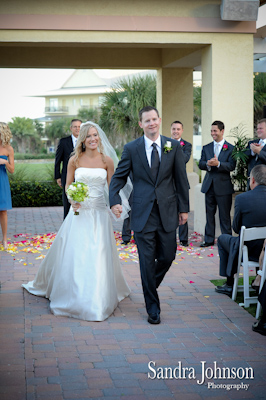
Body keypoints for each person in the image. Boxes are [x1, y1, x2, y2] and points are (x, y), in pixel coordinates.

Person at [22, 122, 130, 322]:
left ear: (99, 137)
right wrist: (73, 199)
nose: (92, 139)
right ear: (82, 139)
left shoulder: (107, 161)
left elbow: (112, 188)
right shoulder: (74, 160)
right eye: (88, 136)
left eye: (95, 135)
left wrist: (115, 205)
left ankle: (98, 297)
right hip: (79, 213)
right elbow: (68, 185)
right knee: (78, 253)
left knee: (98, 252)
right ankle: (74, 294)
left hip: (98, 214)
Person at [109, 106, 189, 324]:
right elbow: (118, 178)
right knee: (146, 261)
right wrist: (114, 200)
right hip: (143, 214)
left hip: (168, 212)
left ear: (159, 120)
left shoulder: (173, 146)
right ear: (141, 124)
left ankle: (148, 285)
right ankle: (152, 308)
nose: (152, 123)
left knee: (168, 255)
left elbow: (181, 179)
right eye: (147, 120)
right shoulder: (132, 148)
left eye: (154, 119)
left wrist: (184, 209)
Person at [215, 165, 266, 296]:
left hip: (248, 251)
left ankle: (230, 283)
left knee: (222, 239)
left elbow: (236, 228)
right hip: (264, 252)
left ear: (253, 180)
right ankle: (258, 279)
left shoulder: (242, 199)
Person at [199, 120, 236, 247]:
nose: (212, 133)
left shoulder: (231, 148)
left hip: (224, 188)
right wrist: (208, 164)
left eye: (215, 131)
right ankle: (208, 240)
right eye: (211, 131)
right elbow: (201, 164)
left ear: (222, 131)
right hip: (209, 186)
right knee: (209, 215)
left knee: (224, 216)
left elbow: (232, 166)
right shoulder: (206, 147)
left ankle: (227, 241)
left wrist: (219, 164)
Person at [54, 119, 82, 219]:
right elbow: (58, 160)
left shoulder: (86, 141)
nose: (77, 129)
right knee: (68, 203)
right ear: (71, 128)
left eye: (79, 126)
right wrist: (58, 177)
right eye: (75, 126)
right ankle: (67, 226)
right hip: (67, 177)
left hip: (82, 176)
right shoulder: (63, 142)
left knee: (81, 204)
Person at [171, 120, 192, 246]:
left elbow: (184, 159)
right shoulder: (166, 144)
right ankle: (170, 238)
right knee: (170, 211)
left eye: (178, 129)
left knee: (183, 209)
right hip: (168, 183)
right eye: (174, 129)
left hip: (182, 182)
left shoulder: (187, 145)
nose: (176, 131)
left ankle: (183, 239)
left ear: (182, 131)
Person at [0, 122, 14, 251]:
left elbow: (12, 170)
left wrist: (4, 162)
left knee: (3, 211)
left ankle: (4, 239)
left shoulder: (9, 149)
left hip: (2, 180)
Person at [246, 119, 266, 183]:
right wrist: (253, 152)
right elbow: (243, 157)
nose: (258, 131)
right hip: (251, 182)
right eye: (257, 129)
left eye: (261, 128)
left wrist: (259, 152)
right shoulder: (251, 143)